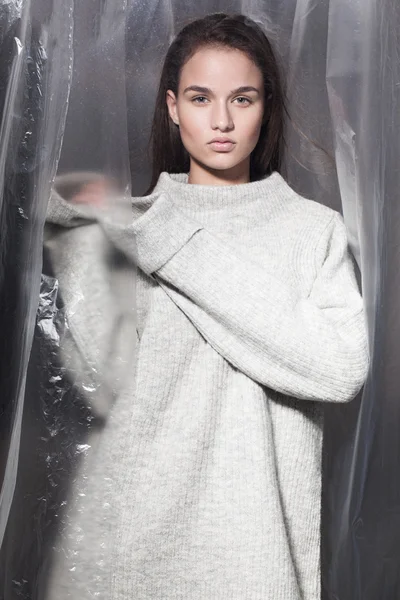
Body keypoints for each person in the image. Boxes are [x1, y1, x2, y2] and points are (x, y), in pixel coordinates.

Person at [43, 12, 369, 600]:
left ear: (265, 106)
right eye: (200, 98)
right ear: (172, 106)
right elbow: (103, 390)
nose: (221, 120)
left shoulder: (311, 231)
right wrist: (81, 246)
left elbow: (341, 368)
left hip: (258, 556)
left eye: (241, 98)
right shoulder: (129, 228)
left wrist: (167, 239)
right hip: (132, 552)